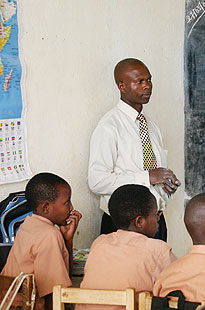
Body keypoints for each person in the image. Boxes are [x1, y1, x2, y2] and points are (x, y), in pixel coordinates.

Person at [88, 58, 181, 240]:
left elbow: (154, 173)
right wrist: (147, 177)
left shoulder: (152, 126)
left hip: (155, 223)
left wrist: (165, 186)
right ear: (121, 86)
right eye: (139, 82)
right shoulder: (109, 126)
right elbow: (97, 181)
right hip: (124, 227)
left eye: (149, 80)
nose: (147, 86)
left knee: (159, 268)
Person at [77, 184, 176, 310]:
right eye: (156, 213)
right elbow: (180, 285)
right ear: (139, 221)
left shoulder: (100, 243)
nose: (158, 218)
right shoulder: (157, 249)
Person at [1, 172, 82, 309]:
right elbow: (55, 294)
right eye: (66, 202)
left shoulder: (28, 225)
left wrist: (67, 240)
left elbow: (61, 281)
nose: (71, 207)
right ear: (46, 207)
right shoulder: (49, 234)